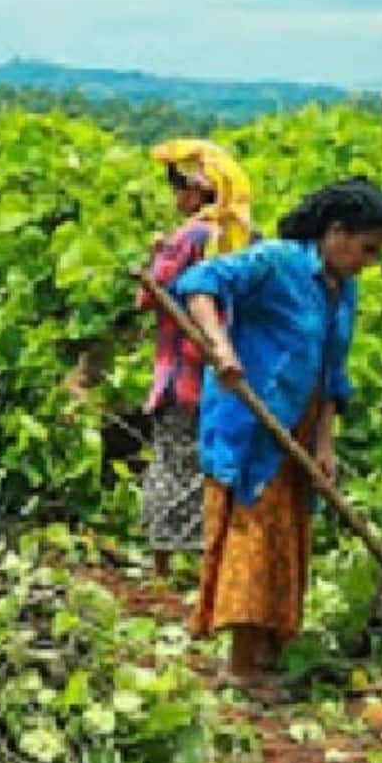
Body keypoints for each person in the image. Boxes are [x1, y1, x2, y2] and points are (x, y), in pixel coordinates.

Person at [175, 178, 382, 697]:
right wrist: (222, 348)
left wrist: (325, 444)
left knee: (287, 539)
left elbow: (331, 373)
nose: (369, 260)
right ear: (336, 233)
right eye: (367, 248)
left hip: (298, 423)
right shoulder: (276, 262)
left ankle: (268, 651)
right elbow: (198, 284)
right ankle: (240, 664)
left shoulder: (344, 290)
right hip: (251, 421)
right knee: (254, 536)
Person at [137, 140, 254, 580]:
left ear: (198, 193)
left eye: (179, 187)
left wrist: (155, 257)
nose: (175, 197)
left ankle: (163, 568)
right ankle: (205, 562)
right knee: (208, 463)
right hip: (221, 372)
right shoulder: (240, 235)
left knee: (172, 461)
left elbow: (149, 296)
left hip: (182, 371)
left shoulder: (189, 236)